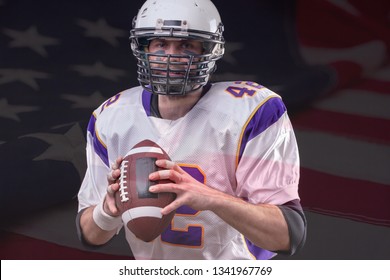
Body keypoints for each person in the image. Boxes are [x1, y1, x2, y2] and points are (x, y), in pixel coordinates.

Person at [76, 0, 306, 260]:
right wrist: (107, 211)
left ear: (209, 50)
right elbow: (90, 235)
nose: (171, 56)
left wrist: (208, 197)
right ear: (144, 49)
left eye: (186, 45)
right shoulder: (112, 117)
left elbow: (287, 235)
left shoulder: (252, 112)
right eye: (161, 44)